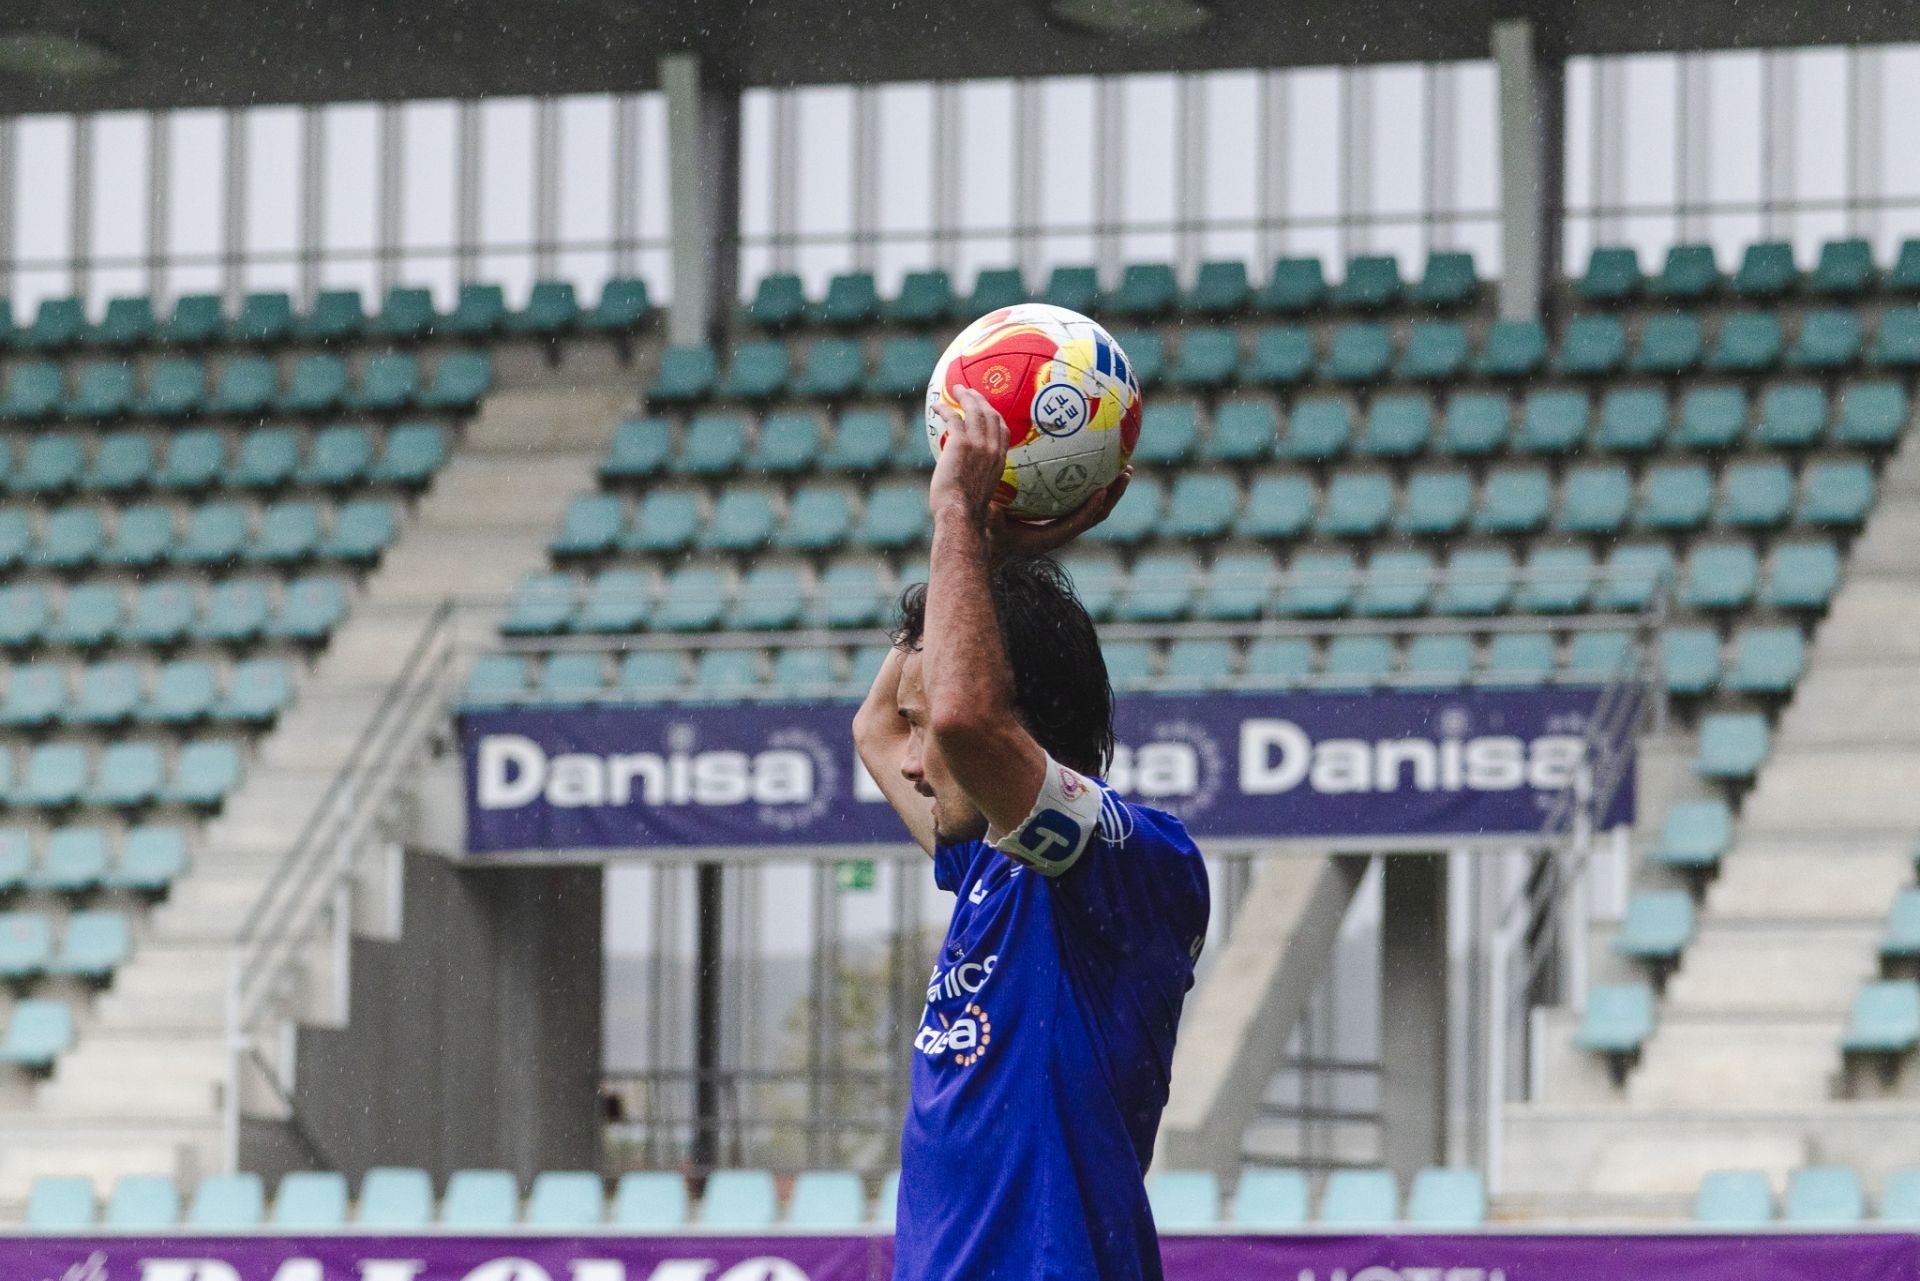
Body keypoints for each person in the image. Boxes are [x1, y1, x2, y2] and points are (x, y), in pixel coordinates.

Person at [853, 386, 1212, 1281]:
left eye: (928, 733)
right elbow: (877, 728)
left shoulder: (1129, 866)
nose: (910, 762)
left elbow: (968, 722)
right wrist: (978, 559)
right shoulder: (987, 868)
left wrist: (957, 515)